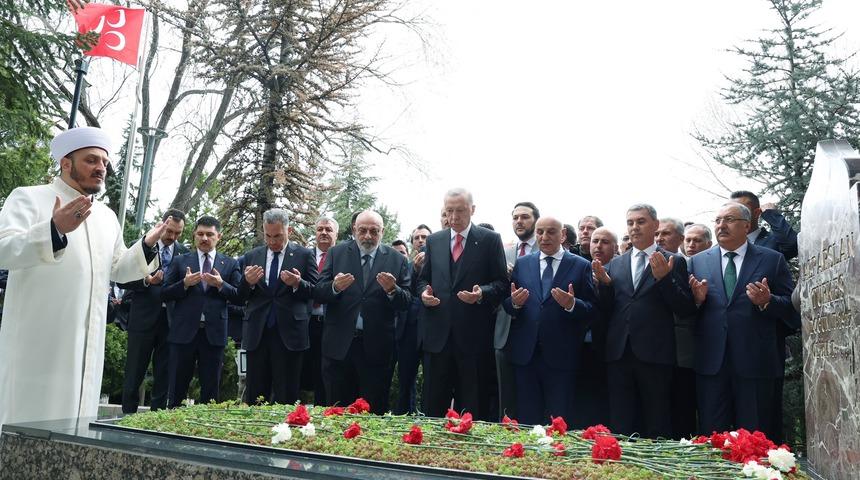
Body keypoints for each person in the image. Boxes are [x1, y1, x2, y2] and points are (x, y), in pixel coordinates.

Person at [0, 126, 166, 428]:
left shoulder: (105, 216)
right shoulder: (29, 198)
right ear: (66, 163)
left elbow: (118, 268)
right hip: (37, 344)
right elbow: (4, 250)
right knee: (26, 429)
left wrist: (146, 245)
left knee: (73, 435)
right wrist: (53, 229)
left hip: (87, 346)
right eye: (91, 160)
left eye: (104, 162)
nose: (101, 168)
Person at [689, 202, 799, 439]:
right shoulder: (697, 262)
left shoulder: (772, 259)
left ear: (747, 225)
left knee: (756, 437)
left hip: (756, 363)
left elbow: (792, 308)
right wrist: (696, 301)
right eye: (717, 220)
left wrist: (767, 301)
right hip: (712, 364)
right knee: (712, 438)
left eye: (729, 219)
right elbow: (684, 313)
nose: (721, 225)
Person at [591, 203, 696, 438]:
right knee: (621, 420)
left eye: (641, 222)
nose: (635, 227)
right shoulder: (616, 263)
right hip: (619, 352)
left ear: (655, 226)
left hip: (655, 354)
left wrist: (664, 280)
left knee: (656, 419)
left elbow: (684, 307)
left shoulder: (673, 261)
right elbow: (609, 309)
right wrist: (606, 287)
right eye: (630, 223)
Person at [418, 188, 507, 419]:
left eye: (460, 211)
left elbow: (502, 283)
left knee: (473, 407)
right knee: (433, 407)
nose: (454, 217)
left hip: (474, 339)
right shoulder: (434, 240)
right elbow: (422, 279)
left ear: (473, 210)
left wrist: (482, 294)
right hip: (437, 339)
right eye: (449, 211)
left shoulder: (489, 240)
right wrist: (423, 294)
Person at [314, 210, 411, 414]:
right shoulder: (337, 253)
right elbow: (319, 292)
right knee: (336, 411)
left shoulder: (397, 259)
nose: (368, 236)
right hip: (339, 348)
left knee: (373, 412)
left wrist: (393, 289)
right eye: (363, 230)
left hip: (376, 350)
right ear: (354, 230)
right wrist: (335, 287)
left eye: (374, 231)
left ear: (382, 232)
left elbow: (407, 302)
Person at [504, 216, 596, 425]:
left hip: (561, 356)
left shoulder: (581, 265)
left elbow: (592, 309)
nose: (544, 237)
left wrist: (572, 304)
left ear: (563, 235)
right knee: (527, 419)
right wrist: (515, 303)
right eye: (540, 232)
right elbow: (508, 304)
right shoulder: (523, 263)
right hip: (526, 355)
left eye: (551, 232)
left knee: (559, 421)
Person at [236, 209, 317, 405]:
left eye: (278, 236)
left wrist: (298, 283)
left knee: (286, 395)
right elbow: (239, 296)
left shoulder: (304, 255)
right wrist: (248, 282)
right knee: (255, 395)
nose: (272, 241)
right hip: (258, 334)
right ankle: (254, 433)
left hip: (289, 335)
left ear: (289, 230)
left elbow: (316, 291)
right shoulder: (252, 256)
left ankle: (285, 433)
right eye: (268, 236)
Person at [162, 215, 242, 407]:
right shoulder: (181, 261)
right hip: (183, 334)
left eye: (209, 234)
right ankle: (173, 430)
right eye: (200, 234)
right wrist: (185, 284)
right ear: (194, 236)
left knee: (210, 392)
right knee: (176, 389)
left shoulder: (230, 264)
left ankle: (204, 430)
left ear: (218, 237)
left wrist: (222, 284)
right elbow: (164, 293)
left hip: (213, 335)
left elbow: (240, 296)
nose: (204, 238)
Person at [118, 208, 188, 414]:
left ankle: (156, 418)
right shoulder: (142, 246)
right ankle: (127, 417)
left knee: (164, 373)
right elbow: (123, 280)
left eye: (178, 233)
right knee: (134, 371)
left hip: (171, 321)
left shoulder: (184, 253)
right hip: (142, 319)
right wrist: (147, 281)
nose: (173, 237)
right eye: (170, 232)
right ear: (162, 225)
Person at [494, 202, 540, 420]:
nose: (519, 221)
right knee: (506, 396)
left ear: (536, 220)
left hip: (536, 332)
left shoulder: (549, 250)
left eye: (525, 217)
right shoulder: (503, 252)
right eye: (515, 217)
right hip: (506, 329)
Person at [569, 226, 617, 428]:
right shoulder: (580, 268)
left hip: (608, 346)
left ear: (615, 247)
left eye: (605, 242)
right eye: (595, 241)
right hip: (578, 345)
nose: (598, 246)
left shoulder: (621, 269)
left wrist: (606, 285)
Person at [394, 224, 432, 414]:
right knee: (406, 380)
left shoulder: (441, 265)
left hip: (432, 333)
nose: (421, 241)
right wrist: (416, 270)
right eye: (416, 238)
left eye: (425, 237)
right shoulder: (405, 266)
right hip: (407, 331)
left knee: (432, 382)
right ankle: (403, 417)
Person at [301, 217, 339, 405]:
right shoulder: (303, 256)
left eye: (328, 230)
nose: (324, 233)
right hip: (305, 323)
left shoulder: (342, 257)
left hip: (331, 324)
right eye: (320, 229)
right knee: (303, 373)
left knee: (327, 374)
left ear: (336, 234)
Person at [729, 191, 798, 260]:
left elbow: (792, 246)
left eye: (739, 210)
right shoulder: (725, 245)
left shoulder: (773, 243)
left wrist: (772, 214)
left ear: (756, 213)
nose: (732, 215)